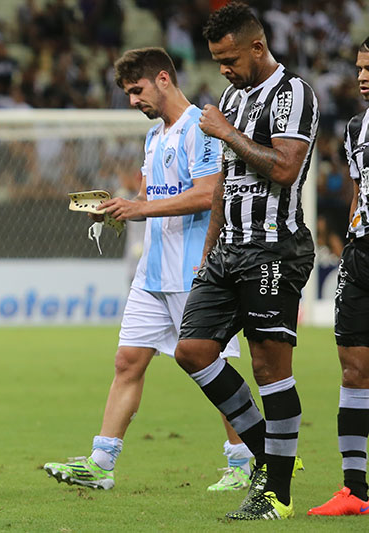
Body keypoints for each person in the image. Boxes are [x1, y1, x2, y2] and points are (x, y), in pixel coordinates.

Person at [43, 47, 250, 493]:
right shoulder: (155, 136)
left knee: (214, 368)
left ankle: (244, 461)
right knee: (127, 361)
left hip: (197, 271)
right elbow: (146, 200)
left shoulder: (201, 127)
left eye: (137, 91)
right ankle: (102, 463)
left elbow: (208, 194)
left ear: (162, 78)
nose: (133, 101)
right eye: (128, 94)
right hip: (153, 272)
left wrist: (139, 209)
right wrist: (115, 211)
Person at [173, 2, 318, 520]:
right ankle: (273, 455)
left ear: (258, 46)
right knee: (191, 350)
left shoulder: (293, 94)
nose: (224, 70)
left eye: (230, 58)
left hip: (274, 248)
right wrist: (207, 253)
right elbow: (223, 188)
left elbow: (283, 168)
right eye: (217, 61)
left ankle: (276, 494)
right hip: (229, 248)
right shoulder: (232, 98)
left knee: (268, 366)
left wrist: (226, 133)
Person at [308, 37, 369, 517]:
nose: (362, 76)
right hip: (362, 256)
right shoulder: (354, 127)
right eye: (360, 67)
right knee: (352, 367)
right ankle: (354, 489)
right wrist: (350, 243)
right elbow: (357, 190)